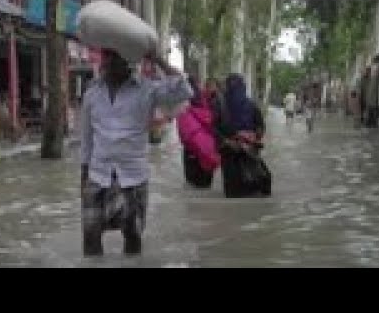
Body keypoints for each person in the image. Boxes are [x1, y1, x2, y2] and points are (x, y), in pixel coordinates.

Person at [80, 48, 192, 256]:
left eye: (117, 57)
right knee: (90, 238)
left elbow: (185, 91)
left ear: (127, 62)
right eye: (108, 57)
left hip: (133, 175)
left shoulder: (147, 89)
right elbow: (86, 140)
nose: (111, 63)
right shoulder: (91, 94)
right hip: (97, 174)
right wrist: (83, 177)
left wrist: (158, 60)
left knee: (133, 237)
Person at [215, 74, 271, 198]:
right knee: (234, 190)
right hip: (229, 151)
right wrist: (228, 141)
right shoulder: (220, 106)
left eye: (237, 87)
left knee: (258, 183)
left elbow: (260, 125)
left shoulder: (252, 106)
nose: (235, 91)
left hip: (248, 150)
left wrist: (254, 137)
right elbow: (214, 128)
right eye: (232, 87)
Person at [178, 75, 219, 188]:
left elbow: (183, 129)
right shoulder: (207, 99)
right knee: (205, 175)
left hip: (191, 144)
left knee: (192, 181)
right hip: (207, 142)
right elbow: (214, 120)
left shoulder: (183, 102)